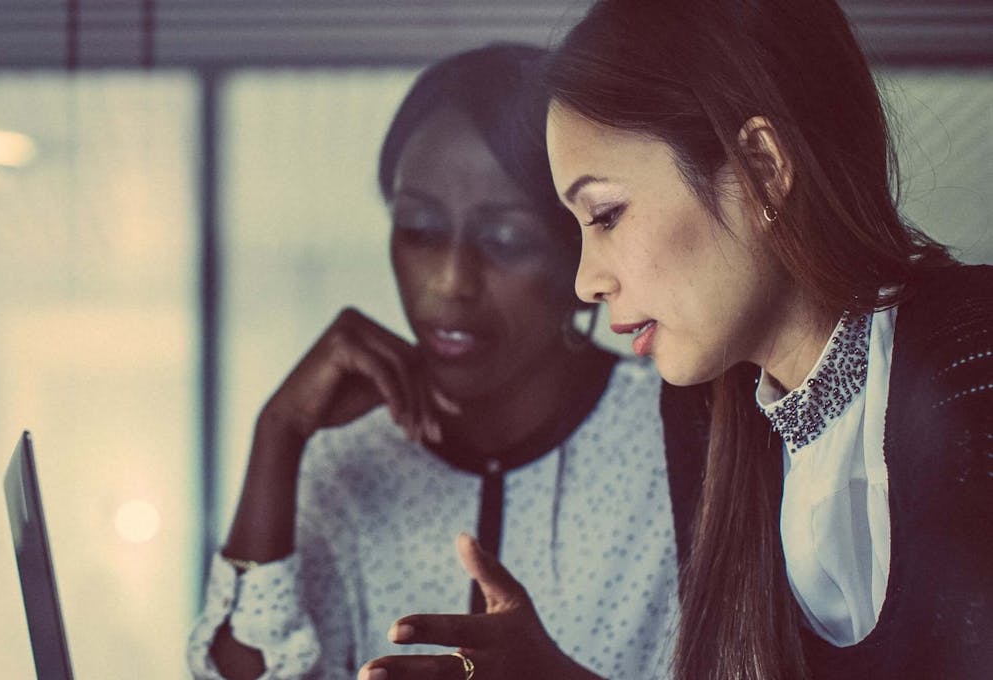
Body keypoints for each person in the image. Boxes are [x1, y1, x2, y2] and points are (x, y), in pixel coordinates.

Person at [363, 1, 993, 678]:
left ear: (761, 169)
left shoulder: (976, 357)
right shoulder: (704, 414)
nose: (585, 282)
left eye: (605, 214)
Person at [187, 44, 709, 680]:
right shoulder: (346, 456)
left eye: (506, 240)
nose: (451, 283)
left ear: (579, 246)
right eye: (420, 230)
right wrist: (278, 435)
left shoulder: (683, 436)